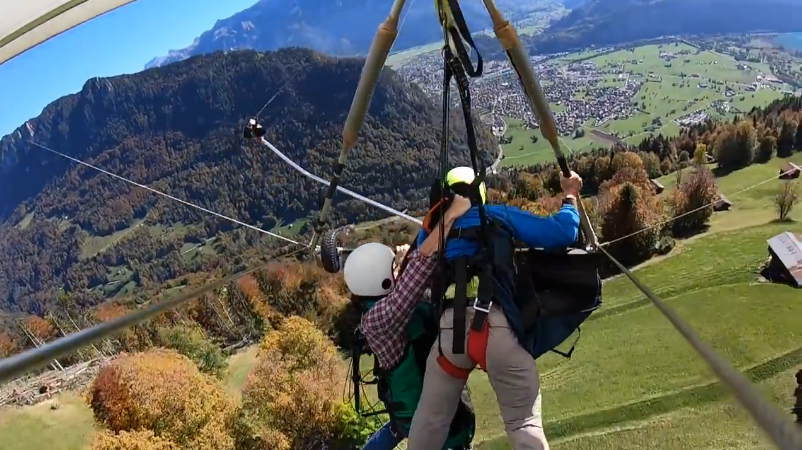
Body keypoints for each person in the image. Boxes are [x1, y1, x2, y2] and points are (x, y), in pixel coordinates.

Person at [406, 166, 589, 450]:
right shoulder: (495, 216)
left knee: (430, 419)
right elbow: (562, 232)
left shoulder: (431, 235)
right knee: (522, 422)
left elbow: (413, 268)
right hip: (496, 327)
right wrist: (569, 196)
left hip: (450, 336)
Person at [344, 194, 476, 450]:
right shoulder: (380, 319)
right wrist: (450, 216)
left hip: (414, 413)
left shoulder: (379, 308)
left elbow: (418, 289)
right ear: (379, 281)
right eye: (392, 269)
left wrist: (406, 257)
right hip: (433, 425)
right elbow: (418, 271)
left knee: (399, 428)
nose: (397, 272)